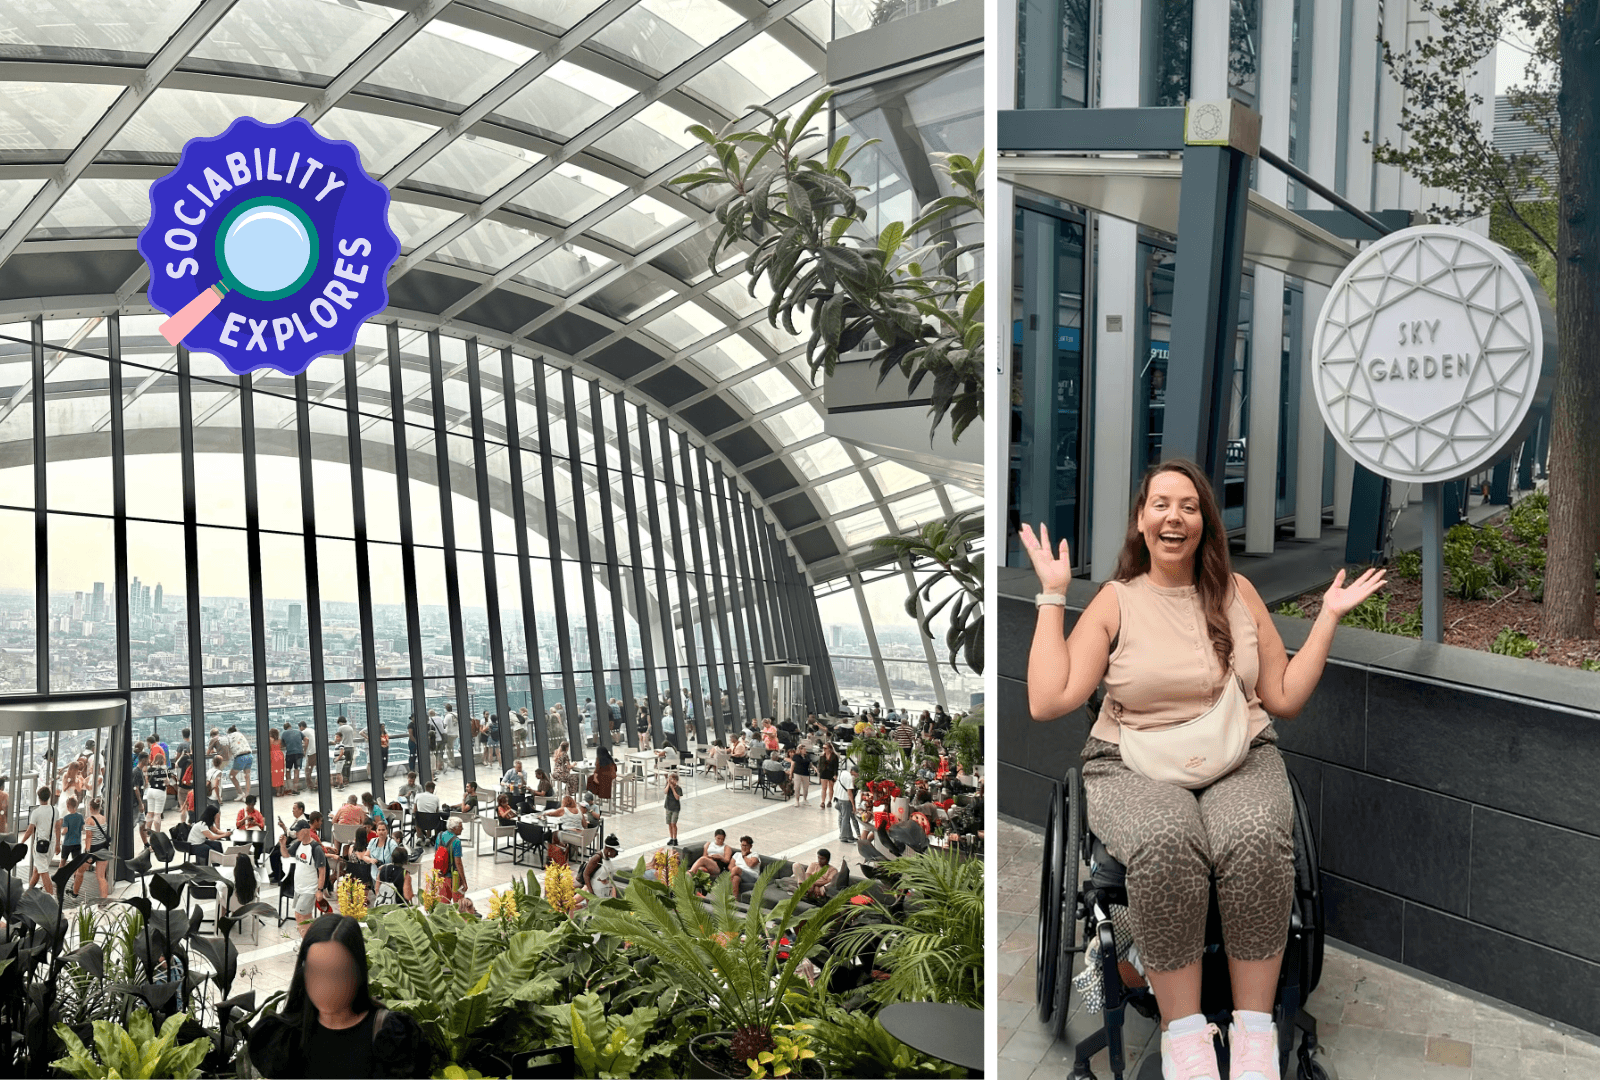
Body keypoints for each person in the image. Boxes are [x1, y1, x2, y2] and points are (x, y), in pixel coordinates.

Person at [1021, 459, 1387, 1080]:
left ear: (1205, 523)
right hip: (1133, 762)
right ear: (1141, 521)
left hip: (1237, 755)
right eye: (1160, 504)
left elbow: (1285, 697)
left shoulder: (1237, 594)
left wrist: (1327, 616)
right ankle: (1186, 1039)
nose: (1174, 516)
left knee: (1253, 839)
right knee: (1167, 841)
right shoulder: (1116, 601)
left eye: (1189, 506)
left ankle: (1252, 1037)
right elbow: (1046, 699)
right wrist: (1054, 594)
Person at [247, 913, 430, 1078]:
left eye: (338, 973)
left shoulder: (391, 1037)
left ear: (357, 972)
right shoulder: (287, 1038)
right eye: (317, 971)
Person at [286, 813, 329, 935]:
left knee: (299, 915)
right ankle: (310, 942)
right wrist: (283, 844)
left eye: (298, 831)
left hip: (309, 890)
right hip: (299, 888)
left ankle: (306, 944)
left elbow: (322, 870)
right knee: (307, 917)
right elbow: (285, 855)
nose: (296, 834)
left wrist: (319, 890)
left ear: (305, 831)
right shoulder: (298, 845)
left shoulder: (315, 848)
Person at [22, 787, 58, 895]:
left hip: (40, 846)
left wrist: (22, 842)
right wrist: (58, 845)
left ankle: (51, 898)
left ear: (38, 797)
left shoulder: (36, 812)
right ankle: (27, 893)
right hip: (51, 844)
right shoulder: (54, 810)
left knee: (43, 873)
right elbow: (58, 826)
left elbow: (30, 830)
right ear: (49, 797)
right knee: (37, 871)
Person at [75, 797, 112, 902]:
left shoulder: (89, 820)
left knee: (80, 871)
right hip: (103, 849)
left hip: (93, 850)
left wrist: (87, 852)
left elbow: (89, 837)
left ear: (90, 807)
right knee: (101, 877)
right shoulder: (103, 818)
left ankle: (75, 894)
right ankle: (104, 901)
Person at [433, 816, 467, 903]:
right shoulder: (456, 841)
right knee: (459, 904)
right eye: (460, 826)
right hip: (453, 877)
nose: (462, 828)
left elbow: (436, 854)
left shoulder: (439, 836)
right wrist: (464, 881)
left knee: (444, 905)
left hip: (441, 876)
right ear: (454, 828)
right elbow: (458, 863)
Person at [57, 796, 84, 893]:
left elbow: (65, 830)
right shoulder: (80, 816)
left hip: (67, 843)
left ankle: (59, 878)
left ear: (68, 806)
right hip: (77, 843)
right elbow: (82, 828)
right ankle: (75, 882)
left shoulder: (66, 818)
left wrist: (60, 833)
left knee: (63, 861)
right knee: (76, 864)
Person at [583, 834, 621, 899]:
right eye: (616, 852)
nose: (617, 854)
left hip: (605, 893)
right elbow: (586, 874)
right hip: (596, 893)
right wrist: (591, 894)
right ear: (609, 849)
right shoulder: (597, 858)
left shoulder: (607, 858)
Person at [730, 835, 762, 900]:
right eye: (742, 845)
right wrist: (735, 873)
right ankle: (735, 899)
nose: (743, 847)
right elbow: (730, 867)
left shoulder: (755, 855)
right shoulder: (737, 854)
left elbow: (751, 864)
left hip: (751, 877)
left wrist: (744, 856)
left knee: (736, 868)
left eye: (746, 845)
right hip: (739, 874)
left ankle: (723, 885)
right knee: (736, 878)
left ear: (750, 846)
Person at [228, 725, 253, 801]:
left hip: (240, 757)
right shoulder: (240, 734)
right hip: (249, 756)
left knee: (232, 776)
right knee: (247, 777)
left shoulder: (229, 736)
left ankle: (240, 793)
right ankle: (246, 795)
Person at [142, 768, 168, 841]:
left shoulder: (152, 770)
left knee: (150, 813)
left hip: (150, 791)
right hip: (159, 792)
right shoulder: (162, 771)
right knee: (157, 814)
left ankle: (148, 831)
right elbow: (167, 782)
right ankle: (157, 832)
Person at [837, 765, 860, 843]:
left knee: (842, 817)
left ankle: (849, 836)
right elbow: (849, 792)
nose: (858, 776)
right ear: (853, 771)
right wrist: (853, 805)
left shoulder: (843, 772)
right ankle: (843, 836)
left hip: (839, 798)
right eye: (857, 773)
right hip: (845, 800)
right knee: (845, 819)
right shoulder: (850, 778)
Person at [282, 721, 304, 795]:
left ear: (285, 728)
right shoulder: (298, 731)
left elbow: (282, 745)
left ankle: (290, 788)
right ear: (290, 726)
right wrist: (304, 749)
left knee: (288, 770)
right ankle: (295, 789)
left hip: (290, 754)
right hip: (299, 753)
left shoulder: (284, 733)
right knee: (297, 770)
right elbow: (306, 739)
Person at [662, 769, 682, 847]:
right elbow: (665, 792)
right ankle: (671, 837)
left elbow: (677, 797)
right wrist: (668, 785)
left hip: (675, 808)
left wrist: (673, 788)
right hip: (668, 806)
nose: (672, 781)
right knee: (669, 823)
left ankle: (675, 838)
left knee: (674, 823)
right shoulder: (668, 786)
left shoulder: (678, 788)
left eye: (673, 779)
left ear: (676, 780)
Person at [816, 742, 839, 809]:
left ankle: (829, 801)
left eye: (825, 748)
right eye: (823, 748)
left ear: (829, 748)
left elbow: (836, 767)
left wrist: (835, 775)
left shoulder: (834, 756)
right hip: (824, 773)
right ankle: (822, 802)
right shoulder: (822, 756)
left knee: (831, 788)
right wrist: (819, 773)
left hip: (831, 773)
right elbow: (819, 765)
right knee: (824, 788)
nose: (824, 749)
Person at [270, 729, 286, 797]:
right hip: (280, 755)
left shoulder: (270, 739)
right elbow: (282, 746)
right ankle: (281, 790)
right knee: (280, 773)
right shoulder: (279, 740)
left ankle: (277, 791)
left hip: (273, 756)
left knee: (274, 774)